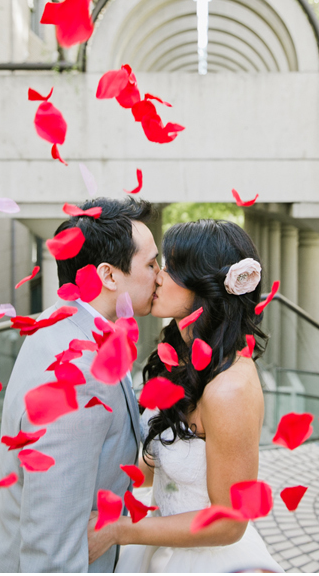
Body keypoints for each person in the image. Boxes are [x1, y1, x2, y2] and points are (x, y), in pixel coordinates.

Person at [0, 198, 161, 573]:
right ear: (109, 276)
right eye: (151, 263)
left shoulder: (59, 323)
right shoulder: (81, 371)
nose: (160, 275)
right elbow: (51, 544)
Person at [91, 219, 280, 572]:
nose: (158, 277)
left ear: (204, 285)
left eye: (171, 268)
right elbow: (157, 462)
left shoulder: (230, 390)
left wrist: (119, 530)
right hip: (162, 545)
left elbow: (230, 522)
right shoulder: (177, 351)